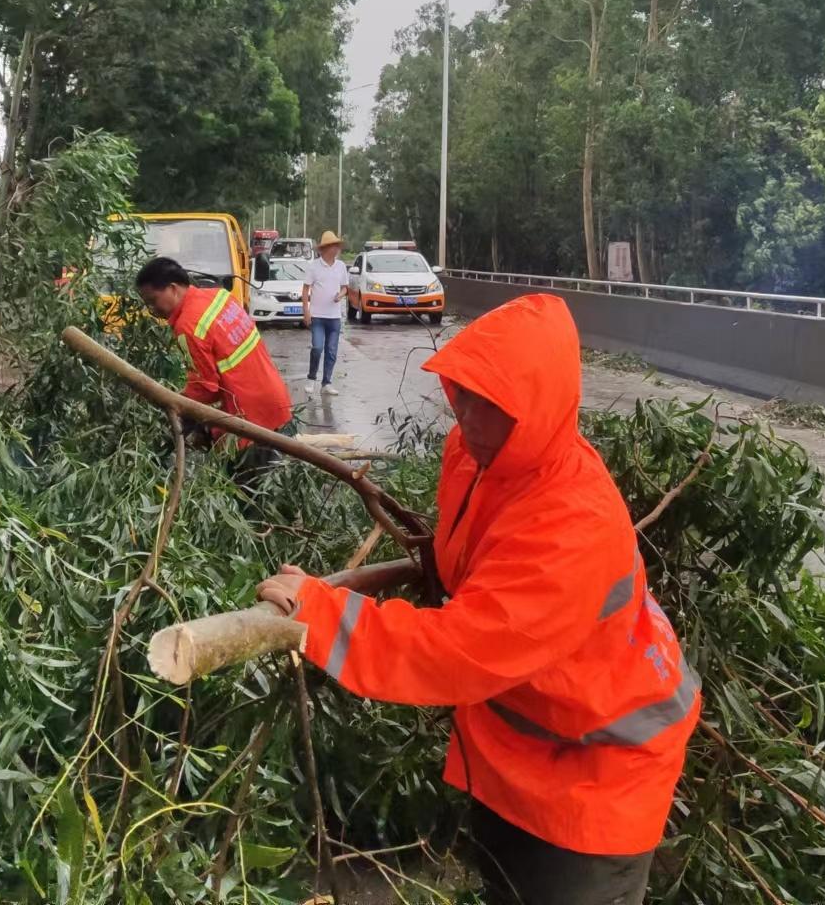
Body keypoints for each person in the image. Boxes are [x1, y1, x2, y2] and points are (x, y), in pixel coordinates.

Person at [255, 294, 698, 905]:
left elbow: (458, 652)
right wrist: (435, 560)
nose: (468, 417)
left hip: (593, 782)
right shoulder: (478, 455)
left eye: (492, 405)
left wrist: (320, 613)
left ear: (539, 409)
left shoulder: (570, 525)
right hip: (524, 749)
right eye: (461, 392)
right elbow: (474, 547)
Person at [135, 256, 292, 450]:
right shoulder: (219, 296)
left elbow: (206, 389)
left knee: (245, 478)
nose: (152, 309)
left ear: (173, 289)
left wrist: (174, 402)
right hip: (274, 399)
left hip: (249, 420)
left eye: (153, 301)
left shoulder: (189, 325)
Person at [300, 230, 348, 395]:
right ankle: (311, 378)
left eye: (337, 246)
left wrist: (340, 296)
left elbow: (345, 288)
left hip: (334, 317)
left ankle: (326, 383)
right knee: (318, 347)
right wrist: (306, 311)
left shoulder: (341, 266)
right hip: (318, 316)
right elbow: (306, 289)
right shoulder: (314, 266)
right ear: (325, 248)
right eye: (333, 246)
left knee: (332, 351)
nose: (336, 249)